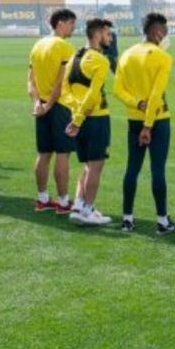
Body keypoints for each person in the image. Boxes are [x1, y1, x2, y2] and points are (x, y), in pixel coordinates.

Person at [114, 12, 175, 234]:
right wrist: (148, 125)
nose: (167, 36)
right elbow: (156, 95)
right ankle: (162, 221)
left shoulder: (127, 54)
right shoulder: (162, 57)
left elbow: (117, 90)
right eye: (166, 32)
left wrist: (136, 103)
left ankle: (127, 219)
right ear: (157, 32)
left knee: (132, 169)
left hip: (133, 120)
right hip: (157, 121)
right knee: (157, 170)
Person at [63, 18, 114, 226]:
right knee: (95, 166)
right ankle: (88, 209)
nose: (110, 38)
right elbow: (93, 95)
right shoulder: (100, 60)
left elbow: (64, 91)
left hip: (80, 119)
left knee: (86, 166)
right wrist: (78, 118)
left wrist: (76, 112)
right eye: (107, 34)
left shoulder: (74, 55)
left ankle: (78, 205)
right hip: (95, 119)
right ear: (98, 34)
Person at [28, 8, 77, 214]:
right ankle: (64, 202)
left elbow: (30, 81)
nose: (74, 27)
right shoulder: (65, 47)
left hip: (42, 107)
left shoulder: (37, 45)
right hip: (59, 107)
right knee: (63, 154)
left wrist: (38, 102)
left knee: (43, 153)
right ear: (60, 23)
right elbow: (61, 81)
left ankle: (42, 199)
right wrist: (49, 105)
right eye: (71, 23)